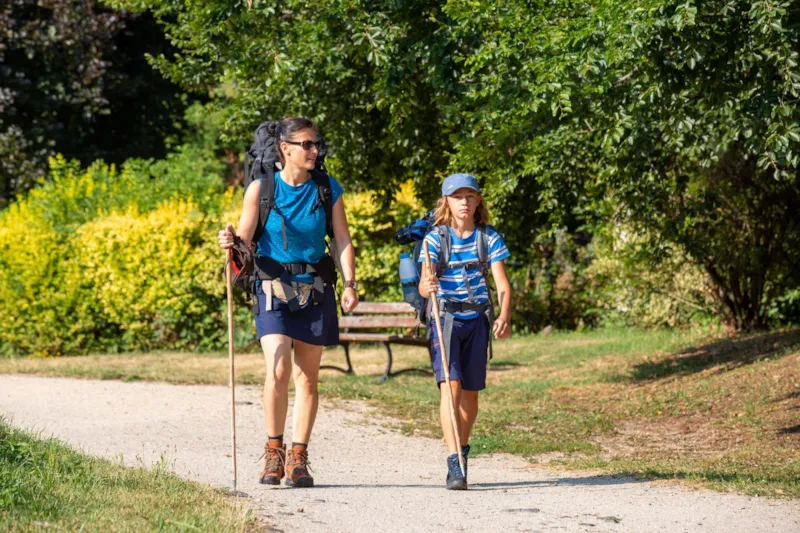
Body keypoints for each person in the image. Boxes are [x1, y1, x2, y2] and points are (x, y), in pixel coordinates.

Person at [218, 117, 358, 488]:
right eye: (307, 144)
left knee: (307, 379)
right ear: (285, 148)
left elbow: (342, 239)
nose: (315, 151)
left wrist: (351, 283)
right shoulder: (261, 189)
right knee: (278, 370)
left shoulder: (327, 189)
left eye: (316, 144)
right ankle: (273, 453)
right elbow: (245, 243)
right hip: (271, 289)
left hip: (314, 289)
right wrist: (231, 241)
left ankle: (298, 458)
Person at [417, 173, 512, 490]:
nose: (464, 202)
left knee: (471, 393)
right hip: (446, 320)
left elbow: (502, 285)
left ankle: (463, 447)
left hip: (478, 320)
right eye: (458, 197)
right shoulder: (434, 240)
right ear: (446, 202)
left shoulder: (489, 238)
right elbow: (423, 282)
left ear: (478, 201)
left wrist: (505, 315)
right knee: (451, 388)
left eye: (470, 196)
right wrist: (426, 285)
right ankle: (454, 460)